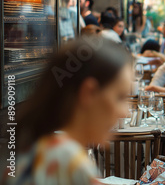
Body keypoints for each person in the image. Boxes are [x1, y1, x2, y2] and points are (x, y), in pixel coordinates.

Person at [8, 38, 131, 185]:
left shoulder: (41, 148)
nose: (126, 112)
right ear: (89, 93)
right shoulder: (68, 161)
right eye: (120, 97)